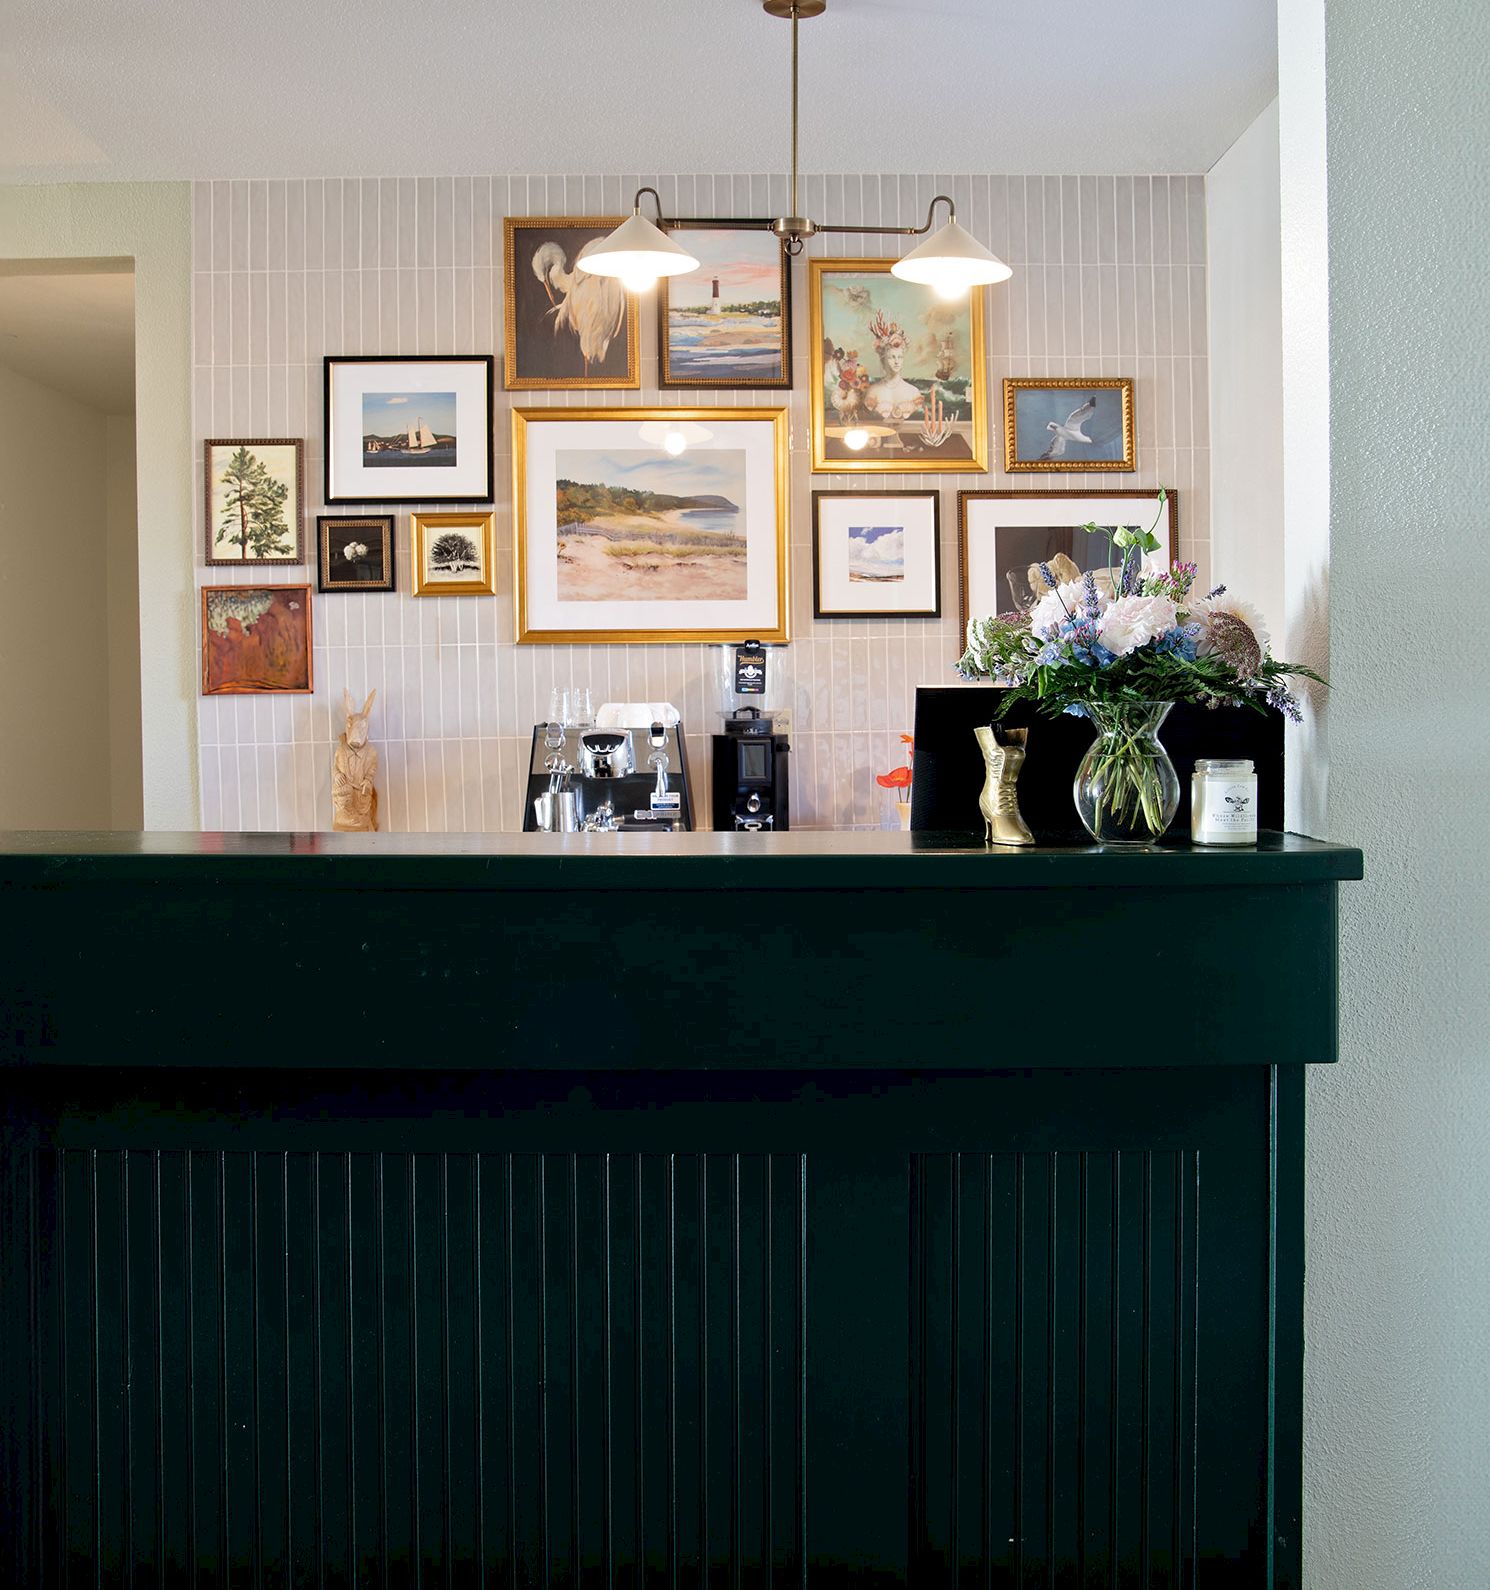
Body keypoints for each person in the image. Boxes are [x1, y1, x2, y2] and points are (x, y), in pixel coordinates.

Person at [864, 311, 924, 421]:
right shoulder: (873, 392)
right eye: (892, 357)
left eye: (900, 357)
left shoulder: (913, 392)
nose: (897, 362)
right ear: (883, 360)